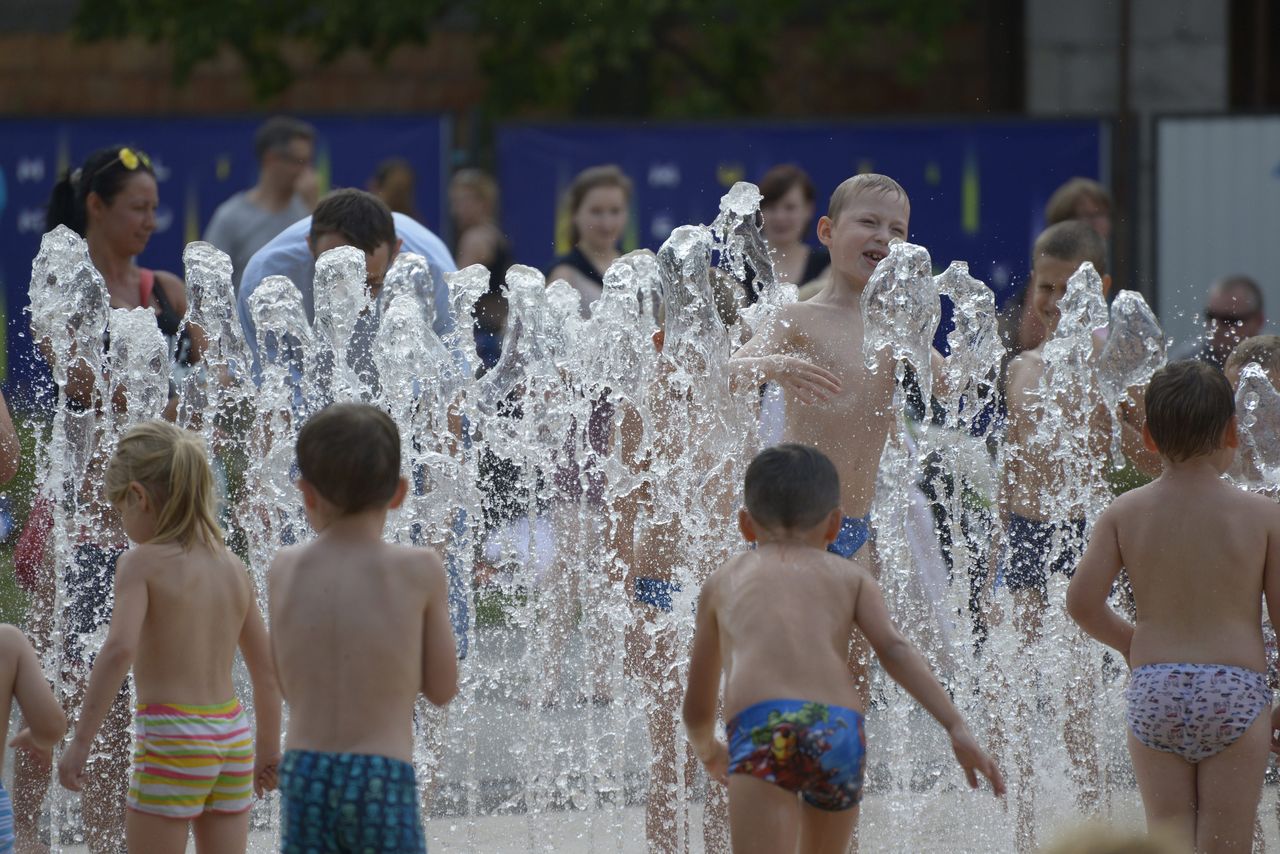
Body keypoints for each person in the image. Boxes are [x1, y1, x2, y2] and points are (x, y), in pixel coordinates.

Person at [682, 444, 1004, 854]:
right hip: (836, 730)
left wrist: (709, 751)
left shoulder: (725, 580)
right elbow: (894, 649)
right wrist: (955, 724)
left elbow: (697, 706)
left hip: (764, 726)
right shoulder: (850, 576)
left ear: (745, 525)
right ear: (835, 525)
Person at [27, 145, 203, 853]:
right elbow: (73, 376)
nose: (150, 221)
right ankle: (30, 835)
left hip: (146, 525)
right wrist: (143, 382)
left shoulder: (166, 292)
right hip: (81, 520)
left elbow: (206, 386)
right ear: (96, 207)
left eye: (155, 208)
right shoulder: (65, 288)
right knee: (51, 691)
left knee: (128, 699)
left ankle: (105, 841)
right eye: (137, 208)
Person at [1066, 360, 1280, 852]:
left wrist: (1131, 642)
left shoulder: (1124, 512)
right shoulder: (1264, 517)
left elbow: (1081, 602)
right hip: (1235, 691)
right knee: (1226, 844)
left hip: (1155, 688)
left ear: (1147, 437)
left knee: (1167, 840)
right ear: (1232, 432)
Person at [995, 219, 1154, 848]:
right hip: (1025, 534)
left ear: (1100, 287)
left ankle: (1089, 823)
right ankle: (1023, 828)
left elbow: (1150, 460)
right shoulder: (1021, 366)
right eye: (1045, 288)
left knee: (1077, 695)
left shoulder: (1116, 368)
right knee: (1012, 681)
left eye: (1068, 289)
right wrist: (994, 562)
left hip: (1085, 536)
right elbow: (1011, 465)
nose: (1054, 303)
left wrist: (1133, 411)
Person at [728, 173, 909, 717]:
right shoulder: (800, 316)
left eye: (897, 229)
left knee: (855, 677)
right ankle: (768, 777)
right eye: (869, 223)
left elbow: (949, 383)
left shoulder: (897, 326)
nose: (883, 237)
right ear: (827, 231)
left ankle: (838, 792)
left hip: (857, 527)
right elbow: (731, 371)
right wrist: (775, 364)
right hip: (795, 529)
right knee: (787, 669)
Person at [55, 420, 281, 853]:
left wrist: (81, 742)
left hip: (173, 740)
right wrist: (268, 751)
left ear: (139, 497)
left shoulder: (141, 563)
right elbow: (266, 669)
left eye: (120, 509)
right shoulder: (232, 565)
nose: (121, 522)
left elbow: (120, 649)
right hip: (231, 740)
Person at [268, 403, 458, 851]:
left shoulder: (284, 568)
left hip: (306, 770)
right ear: (399, 493)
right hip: (381, 773)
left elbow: (285, 680)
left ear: (306, 494)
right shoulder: (420, 569)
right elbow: (442, 688)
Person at [236, 188, 459, 377]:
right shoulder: (266, 277)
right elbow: (271, 382)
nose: (357, 301)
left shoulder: (432, 272)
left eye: (371, 284)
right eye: (338, 283)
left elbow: (452, 372)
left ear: (396, 252)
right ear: (310, 248)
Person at [203, 116, 316, 292]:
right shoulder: (231, 217)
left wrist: (313, 210)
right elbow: (208, 284)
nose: (306, 172)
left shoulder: (309, 211)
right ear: (271, 159)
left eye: (309, 162)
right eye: (299, 162)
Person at [547, 165, 632, 316]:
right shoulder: (564, 275)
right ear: (575, 214)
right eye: (596, 212)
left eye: (615, 211)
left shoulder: (637, 269)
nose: (607, 223)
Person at [449, 169, 513, 367]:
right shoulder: (495, 234)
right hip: (498, 331)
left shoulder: (475, 238)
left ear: (483, 203)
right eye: (455, 201)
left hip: (483, 336)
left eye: (464, 201)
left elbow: (457, 290)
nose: (457, 209)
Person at [752, 164, 829, 301]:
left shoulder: (828, 264)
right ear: (759, 211)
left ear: (808, 209)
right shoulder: (741, 268)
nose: (780, 217)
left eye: (790, 207)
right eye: (771, 207)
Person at [1171, 274, 1266, 369]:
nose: (1216, 327)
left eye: (1229, 320)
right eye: (1210, 316)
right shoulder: (1186, 364)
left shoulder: (1274, 362)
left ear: (1258, 321)